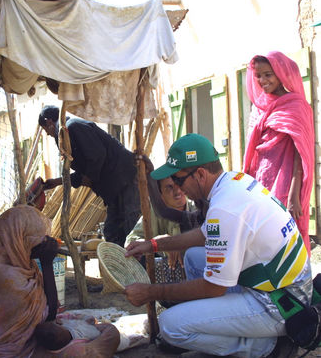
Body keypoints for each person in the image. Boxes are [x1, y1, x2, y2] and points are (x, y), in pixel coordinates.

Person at [124, 133, 312, 357]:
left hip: (281, 305)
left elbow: (213, 288)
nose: (178, 188)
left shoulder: (223, 209)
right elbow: (205, 235)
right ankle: (227, 326)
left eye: (179, 179)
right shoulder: (234, 181)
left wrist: (151, 292)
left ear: (200, 174)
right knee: (194, 257)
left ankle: (264, 347)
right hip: (283, 287)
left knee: (170, 325)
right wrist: (153, 245)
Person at [243, 51, 314, 255]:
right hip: (261, 179)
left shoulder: (295, 106)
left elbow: (301, 153)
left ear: (281, 73)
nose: (263, 80)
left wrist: (294, 193)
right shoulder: (260, 106)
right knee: (263, 234)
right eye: (258, 76)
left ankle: (295, 282)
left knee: (286, 233)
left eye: (268, 74)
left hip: (285, 182)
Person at [39, 105, 141, 247]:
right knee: (112, 232)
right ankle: (118, 266)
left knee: (132, 230)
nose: (49, 135)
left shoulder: (73, 127)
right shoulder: (66, 134)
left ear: (49, 122)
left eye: (46, 130)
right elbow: (83, 171)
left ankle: (142, 267)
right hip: (113, 188)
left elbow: (97, 155)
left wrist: (90, 177)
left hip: (125, 180)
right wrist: (57, 182)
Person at [0, 205, 59, 357]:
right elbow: (49, 316)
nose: (43, 242)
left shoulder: (21, 263)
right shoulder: (6, 275)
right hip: (7, 352)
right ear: (18, 240)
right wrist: (47, 264)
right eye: (37, 239)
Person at [125, 175, 202, 268]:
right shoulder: (153, 212)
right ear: (160, 195)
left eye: (179, 184)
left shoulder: (197, 209)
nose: (177, 191)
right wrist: (158, 243)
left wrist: (170, 243)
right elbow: (131, 241)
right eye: (169, 187)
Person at [32, 313, 120, 357]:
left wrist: (61, 317)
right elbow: (94, 336)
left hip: (85, 326)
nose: (58, 323)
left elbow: (65, 317)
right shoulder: (78, 342)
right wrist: (90, 324)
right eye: (56, 324)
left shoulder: (62, 334)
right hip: (92, 330)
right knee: (107, 328)